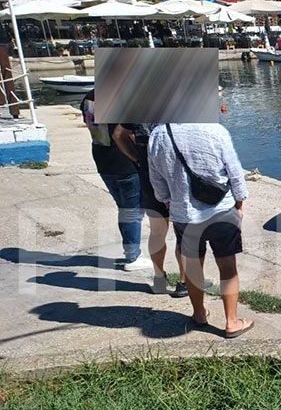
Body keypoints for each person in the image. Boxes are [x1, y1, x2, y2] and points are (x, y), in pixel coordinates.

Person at [146, 122, 254, 338]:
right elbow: (234, 172)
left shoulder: (158, 134)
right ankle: (231, 322)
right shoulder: (215, 129)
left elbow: (156, 178)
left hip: (184, 215)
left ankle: (199, 314)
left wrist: (167, 200)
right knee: (228, 267)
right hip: (222, 211)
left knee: (194, 268)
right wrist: (240, 203)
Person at [112, 122, 187, 296]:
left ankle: (159, 279)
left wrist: (136, 158)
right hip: (178, 175)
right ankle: (184, 282)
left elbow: (118, 135)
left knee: (157, 231)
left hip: (149, 175)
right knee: (183, 231)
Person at [81, 89, 148, 270]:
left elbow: (91, 125)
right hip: (124, 162)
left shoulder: (89, 97)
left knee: (124, 208)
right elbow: (127, 132)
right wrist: (137, 157)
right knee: (133, 210)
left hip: (102, 158)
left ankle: (131, 251)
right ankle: (133, 256)